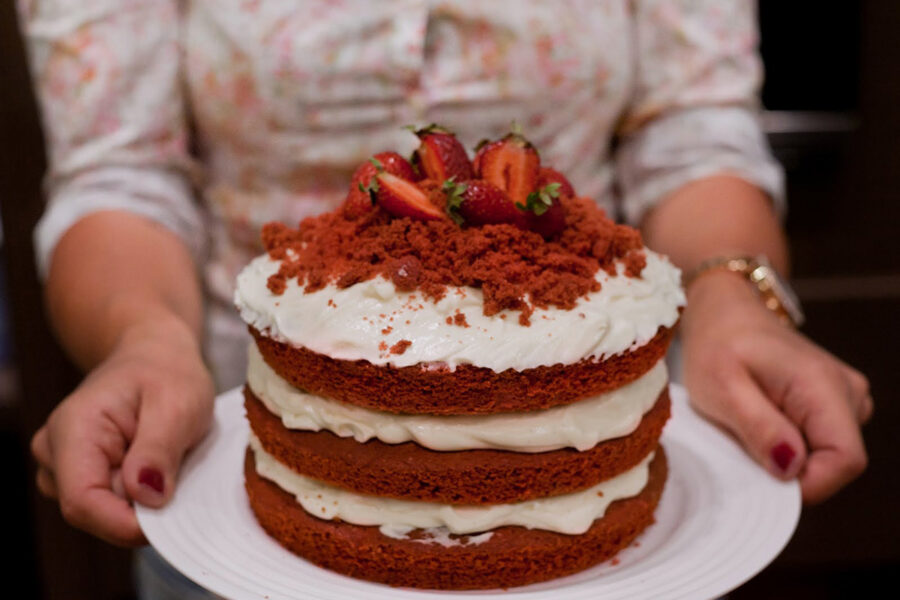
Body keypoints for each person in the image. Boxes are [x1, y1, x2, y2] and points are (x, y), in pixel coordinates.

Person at [19, 0, 870, 594]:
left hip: (586, 334)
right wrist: (142, 340)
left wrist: (732, 300)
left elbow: (691, 126)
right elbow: (121, 171)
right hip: (220, 456)